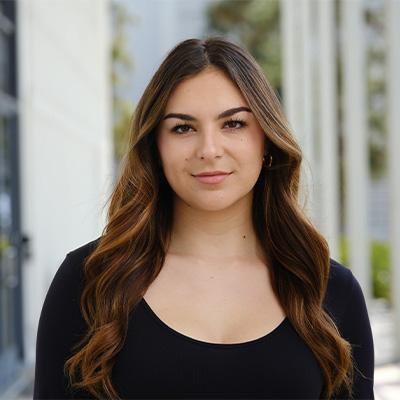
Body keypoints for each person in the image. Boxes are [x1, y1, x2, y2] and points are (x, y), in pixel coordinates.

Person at [33, 37, 374, 399]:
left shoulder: (329, 290)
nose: (209, 150)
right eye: (183, 128)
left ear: (267, 141)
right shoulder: (89, 281)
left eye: (234, 124)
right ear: (156, 146)